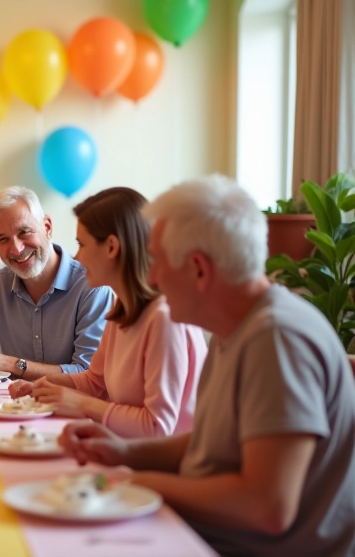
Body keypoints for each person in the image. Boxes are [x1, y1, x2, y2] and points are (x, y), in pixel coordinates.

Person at [60, 176, 355, 556]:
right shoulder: (235, 329)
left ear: (199, 269)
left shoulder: (277, 338)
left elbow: (266, 507)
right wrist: (124, 454)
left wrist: (131, 482)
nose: (150, 277)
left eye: (159, 262)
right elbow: (215, 443)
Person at [9, 187, 206, 437]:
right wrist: (44, 386)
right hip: (126, 451)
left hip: (169, 466)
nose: (77, 257)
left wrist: (79, 403)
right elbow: (95, 382)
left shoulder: (165, 318)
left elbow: (157, 428)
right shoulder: (122, 307)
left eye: (82, 244)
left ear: (112, 246)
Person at [0, 186, 113, 380]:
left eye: (24, 232)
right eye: (3, 239)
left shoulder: (92, 285)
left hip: (73, 408)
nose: (17, 248)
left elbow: (89, 374)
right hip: (10, 407)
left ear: (47, 227)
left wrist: (9, 364)